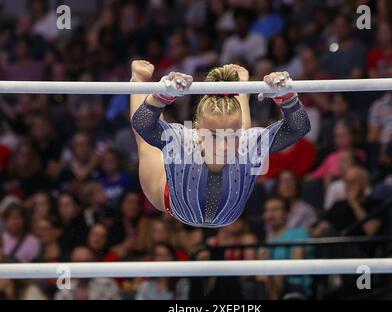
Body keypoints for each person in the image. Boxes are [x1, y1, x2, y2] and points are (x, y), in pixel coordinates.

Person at [130, 60, 310, 228]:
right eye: (214, 136)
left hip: (221, 212)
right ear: (197, 129)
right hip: (170, 201)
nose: (224, 146)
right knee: (148, 147)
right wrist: (161, 97)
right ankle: (139, 79)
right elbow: (143, 124)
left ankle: (239, 88)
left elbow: (298, 127)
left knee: (245, 138)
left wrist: (287, 97)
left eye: (231, 136)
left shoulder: (248, 143)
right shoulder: (182, 141)